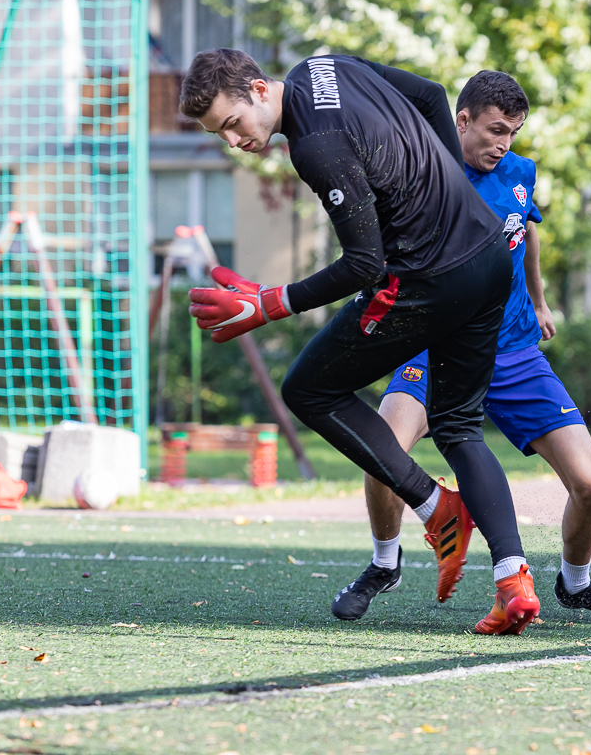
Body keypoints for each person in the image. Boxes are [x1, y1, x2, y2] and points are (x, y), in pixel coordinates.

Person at [180, 49, 540, 635]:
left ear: (256, 88)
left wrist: (270, 303)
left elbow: (365, 266)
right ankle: (513, 581)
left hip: (430, 277)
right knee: (457, 428)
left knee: (308, 389)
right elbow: (429, 91)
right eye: (221, 132)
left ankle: (436, 507)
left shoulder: (314, 146)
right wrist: (460, 194)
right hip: (490, 260)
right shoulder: (323, 65)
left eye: (232, 123)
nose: (234, 140)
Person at [330, 71, 591, 625]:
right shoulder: (421, 175)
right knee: (383, 453)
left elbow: (524, 232)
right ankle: (385, 562)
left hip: (512, 350)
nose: (503, 144)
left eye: (513, 132)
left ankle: (576, 585)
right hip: (430, 346)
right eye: (495, 130)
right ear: (461, 121)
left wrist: (541, 300)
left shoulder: (519, 171)